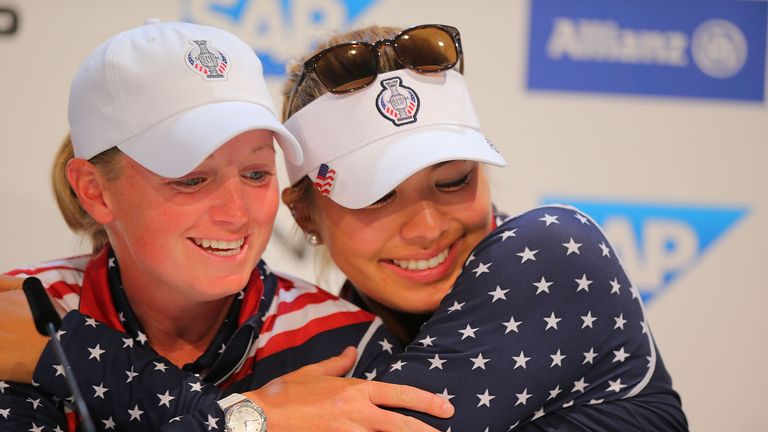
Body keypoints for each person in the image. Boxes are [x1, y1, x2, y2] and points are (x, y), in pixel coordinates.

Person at [1, 23, 688, 431]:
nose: (426, 225)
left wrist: (58, 357)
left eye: (454, 181)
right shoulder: (350, 334)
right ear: (308, 215)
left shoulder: (546, 253)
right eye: (375, 195)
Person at [0, 20, 454, 432]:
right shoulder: (21, 315)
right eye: (191, 180)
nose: (237, 213)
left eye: (256, 173)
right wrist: (255, 419)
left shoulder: (343, 340)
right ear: (94, 191)